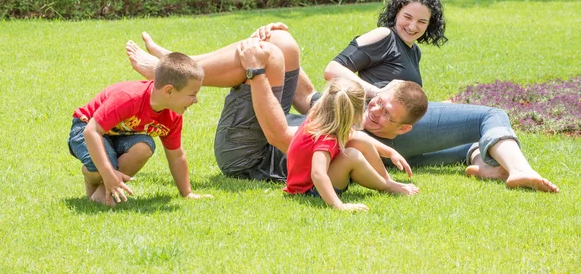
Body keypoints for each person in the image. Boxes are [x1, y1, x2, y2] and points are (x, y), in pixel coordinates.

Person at [286, 0, 557, 193]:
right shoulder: (384, 36)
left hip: (393, 131)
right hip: (378, 123)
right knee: (491, 115)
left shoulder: (412, 51)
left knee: (467, 141)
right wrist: (378, 94)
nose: (412, 26)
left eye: (422, 22)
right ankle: (520, 170)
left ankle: (486, 166)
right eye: (407, 16)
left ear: (430, 25)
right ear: (396, 12)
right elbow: (333, 70)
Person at [126, 32, 425, 184]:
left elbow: (279, 136)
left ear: (403, 129)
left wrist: (257, 72)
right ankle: (178, 65)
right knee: (282, 44)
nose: (376, 111)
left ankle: (170, 72)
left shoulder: (358, 142)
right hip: (265, 132)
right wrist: (277, 38)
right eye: (380, 102)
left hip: (247, 157)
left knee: (266, 56)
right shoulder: (347, 104)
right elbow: (306, 96)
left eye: (387, 115)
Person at [68, 52, 213, 207]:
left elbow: (176, 156)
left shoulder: (172, 116)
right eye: (192, 94)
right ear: (169, 91)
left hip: (118, 135)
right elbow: (91, 131)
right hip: (86, 128)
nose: (196, 100)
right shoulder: (129, 98)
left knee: (144, 146)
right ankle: (93, 176)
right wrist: (107, 171)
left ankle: (102, 194)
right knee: (102, 166)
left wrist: (187, 193)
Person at [284, 77, 419, 212]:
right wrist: (339, 206)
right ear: (356, 113)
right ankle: (385, 186)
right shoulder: (326, 138)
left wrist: (390, 152)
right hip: (309, 190)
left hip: (308, 184)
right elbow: (317, 173)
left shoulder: (320, 117)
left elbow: (357, 136)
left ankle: (388, 181)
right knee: (352, 156)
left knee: (361, 141)